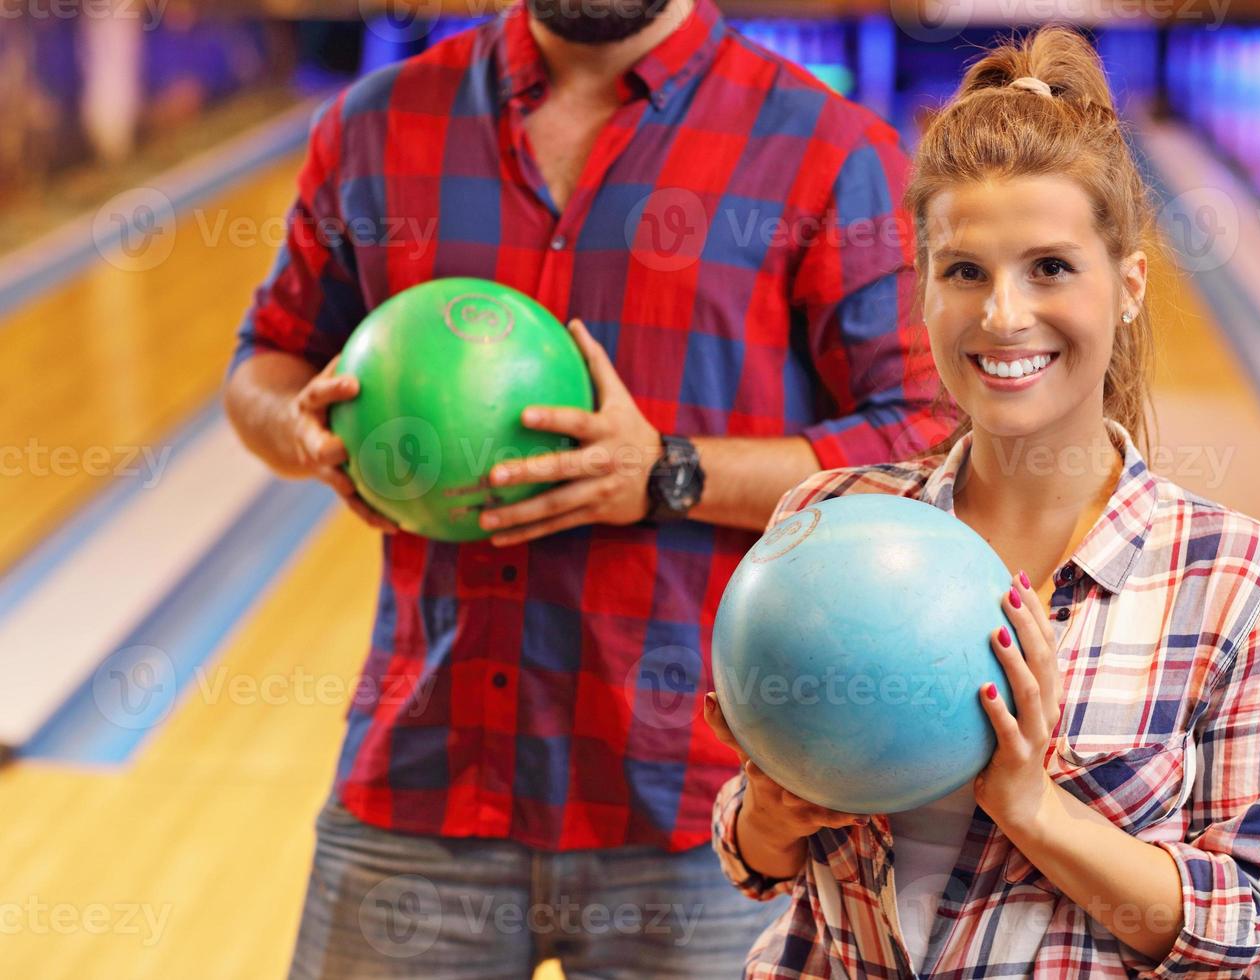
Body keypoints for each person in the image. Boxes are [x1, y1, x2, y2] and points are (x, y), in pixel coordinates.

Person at [222, 0, 944, 975]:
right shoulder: (377, 124)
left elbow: (922, 440)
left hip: (709, 816)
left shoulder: (827, 148)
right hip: (425, 776)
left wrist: (666, 474)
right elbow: (265, 360)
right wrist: (303, 430)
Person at [704, 26, 1260, 979]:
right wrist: (766, 814)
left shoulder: (1232, 577)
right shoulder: (826, 521)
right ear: (923, 292)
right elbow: (754, 860)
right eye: (964, 272)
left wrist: (1034, 808)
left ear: (1128, 286)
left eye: (1051, 267)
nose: (1002, 315)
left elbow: (1253, 935)